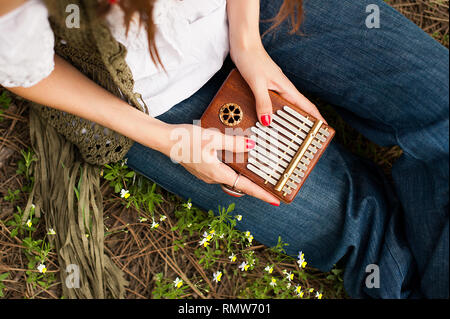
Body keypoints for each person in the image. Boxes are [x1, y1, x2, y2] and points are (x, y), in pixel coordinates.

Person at [1, 0, 448, 298]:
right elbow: (29, 74)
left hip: (255, 10)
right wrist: (169, 140)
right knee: (364, 235)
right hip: (152, 98)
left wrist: (247, 40)